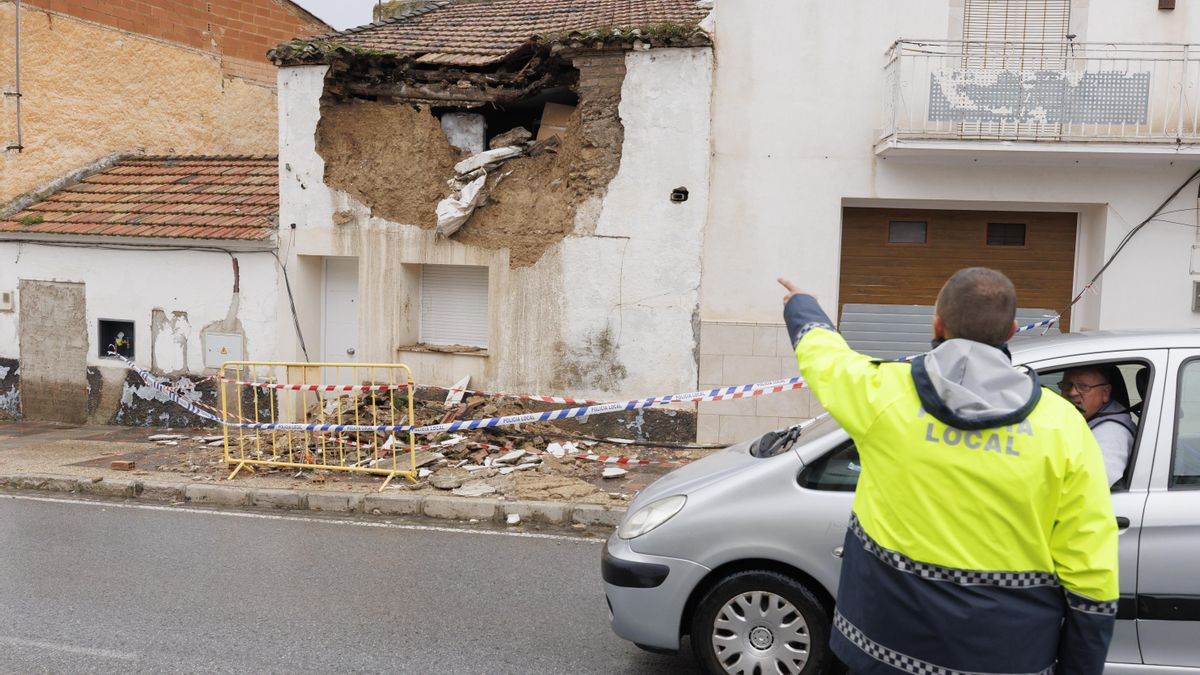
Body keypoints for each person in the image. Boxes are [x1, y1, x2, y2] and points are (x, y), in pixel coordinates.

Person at [779, 267, 1117, 675]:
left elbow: (825, 358)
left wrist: (802, 306)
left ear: (937, 322)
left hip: (886, 648)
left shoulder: (883, 395)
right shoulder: (1062, 425)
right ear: (1012, 331)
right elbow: (1090, 561)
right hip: (1007, 655)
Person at [1060, 366, 1135, 487]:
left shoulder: (1110, 432)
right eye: (1067, 385)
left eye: (1083, 387)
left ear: (1105, 393)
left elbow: (1091, 484)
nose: (1072, 392)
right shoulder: (1084, 419)